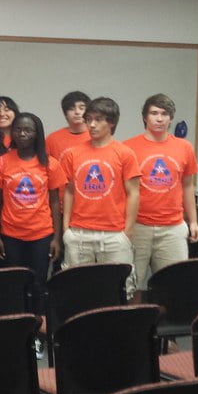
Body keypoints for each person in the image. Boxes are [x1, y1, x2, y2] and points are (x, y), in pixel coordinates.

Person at [0, 113, 64, 340]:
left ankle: (38, 333)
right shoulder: (1, 162)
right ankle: (17, 333)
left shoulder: (50, 163)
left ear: (36, 133)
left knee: (38, 284)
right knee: (14, 284)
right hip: (11, 235)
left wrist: (56, 238)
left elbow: (54, 202)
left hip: (41, 234)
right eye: (18, 129)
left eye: (28, 130)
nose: (22, 134)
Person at [60, 97, 140, 298]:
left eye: (98, 119)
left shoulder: (125, 153)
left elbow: (133, 193)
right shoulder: (73, 153)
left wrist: (127, 231)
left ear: (111, 122)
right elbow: (69, 190)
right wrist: (66, 227)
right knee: (77, 290)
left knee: (120, 290)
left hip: (114, 234)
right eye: (89, 119)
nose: (92, 125)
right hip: (79, 232)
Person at [124, 94, 198, 299]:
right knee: (132, 286)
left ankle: (167, 331)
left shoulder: (184, 147)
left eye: (164, 114)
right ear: (145, 117)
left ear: (171, 118)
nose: (159, 119)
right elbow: (124, 191)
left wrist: (193, 221)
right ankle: (136, 329)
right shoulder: (128, 148)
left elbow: (187, 186)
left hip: (173, 228)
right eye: (154, 113)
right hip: (137, 227)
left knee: (173, 285)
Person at [46, 91, 91, 160]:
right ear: (65, 114)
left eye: (81, 108)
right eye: (72, 109)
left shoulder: (96, 136)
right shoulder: (52, 139)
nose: (77, 112)